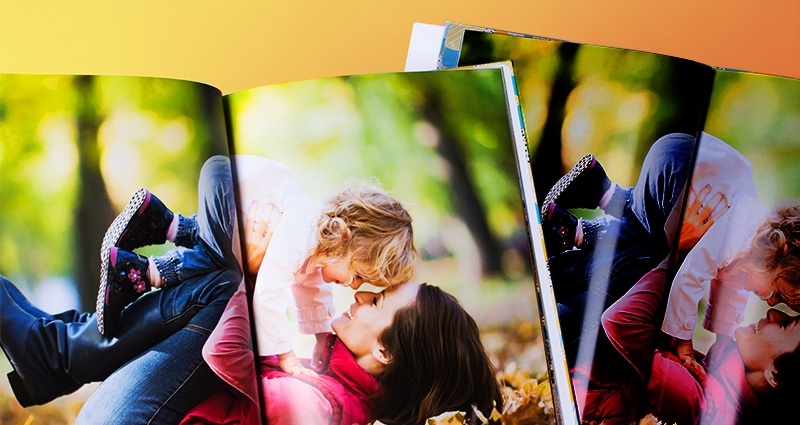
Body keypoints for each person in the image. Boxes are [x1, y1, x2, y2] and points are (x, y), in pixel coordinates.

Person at [97, 154, 417, 378]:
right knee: (223, 259)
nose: (354, 286)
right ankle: (138, 273)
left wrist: (320, 335)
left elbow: (314, 292)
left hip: (228, 183)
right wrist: (286, 355)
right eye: (359, 275)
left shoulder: (320, 247)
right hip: (227, 181)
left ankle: (159, 221)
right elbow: (268, 293)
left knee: (222, 241)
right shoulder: (301, 234)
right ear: (347, 239)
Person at [573, 266, 800, 425]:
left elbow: (621, 322)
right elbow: (728, 294)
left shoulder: (697, 403)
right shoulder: (723, 388)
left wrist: (680, 255)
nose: (773, 313)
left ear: (775, 376)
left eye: (785, 325)